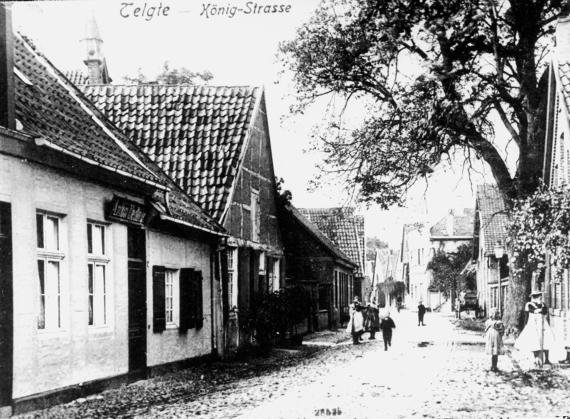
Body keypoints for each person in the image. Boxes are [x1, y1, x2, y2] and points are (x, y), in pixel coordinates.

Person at [514, 289, 562, 367]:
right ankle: (536, 359)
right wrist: (538, 309)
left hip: (543, 324)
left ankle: (546, 359)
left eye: (540, 296)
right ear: (534, 297)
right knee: (534, 342)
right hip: (533, 324)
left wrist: (540, 309)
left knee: (546, 340)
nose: (540, 297)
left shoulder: (542, 304)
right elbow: (533, 311)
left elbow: (544, 311)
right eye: (538, 296)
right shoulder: (529, 304)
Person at [485, 308, 505, 372]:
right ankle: (494, 366)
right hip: (496, 336)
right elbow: (502, 330)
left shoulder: (488, 322)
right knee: (495, 352)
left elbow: (485, 329)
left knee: (492, 351)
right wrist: (502, 333)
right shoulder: (499, 322)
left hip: (490, 336)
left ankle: (492, 365)